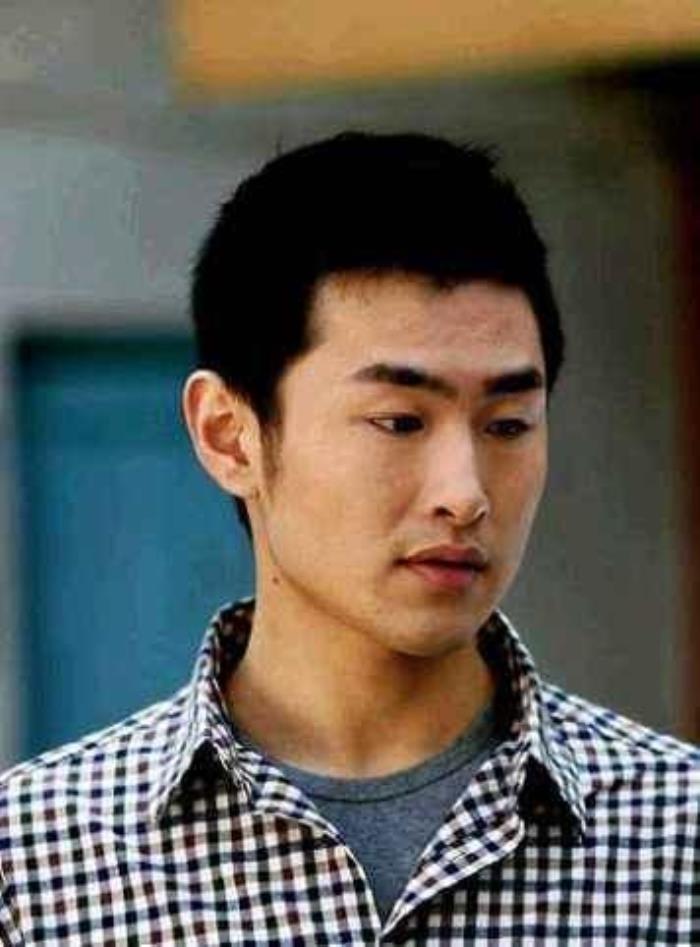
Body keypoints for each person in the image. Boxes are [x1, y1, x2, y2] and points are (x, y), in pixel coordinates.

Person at [0, 132, 697, 945]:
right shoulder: (35, 867)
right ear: (229, 435)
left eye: (508, 423)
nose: (465, 494)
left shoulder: (676, 838)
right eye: (399, 421)